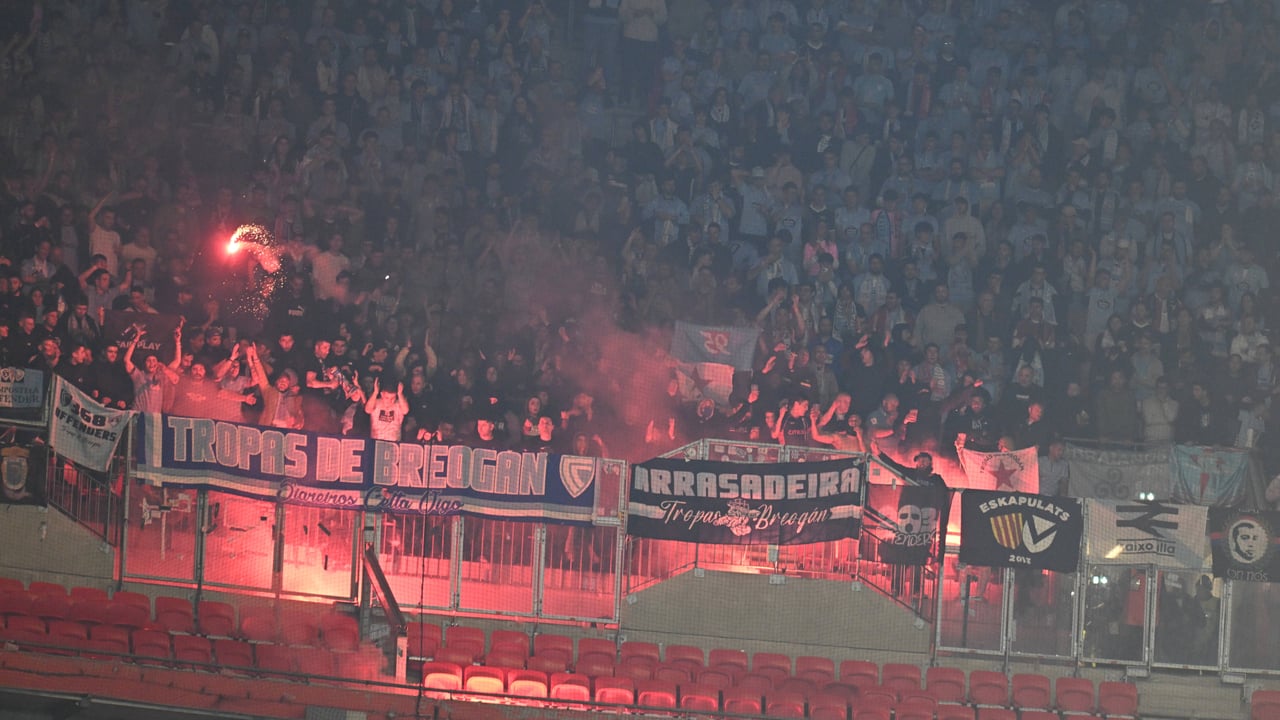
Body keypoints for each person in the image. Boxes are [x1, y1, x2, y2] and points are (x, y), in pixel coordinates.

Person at [123, 323, 183, 414]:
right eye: (149, 361)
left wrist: (177, 342)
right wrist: (135, 340)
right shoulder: (139, 375)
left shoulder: (162, 375)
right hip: (138, 415)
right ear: (144, 364)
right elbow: (126, 360)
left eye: (154, 360)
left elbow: (177, 361)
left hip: (155, 418)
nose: (152, 363)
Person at [365, 377, 409, 442]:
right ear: (382, 394)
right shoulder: (376, 402)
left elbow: (405, 411)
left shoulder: (399, 404)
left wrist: (400, 394)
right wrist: (375, 392)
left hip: (394, 442)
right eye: (387, 398)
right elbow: (367, 410)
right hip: (376, 441)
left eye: (392, 398)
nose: (389, 401)